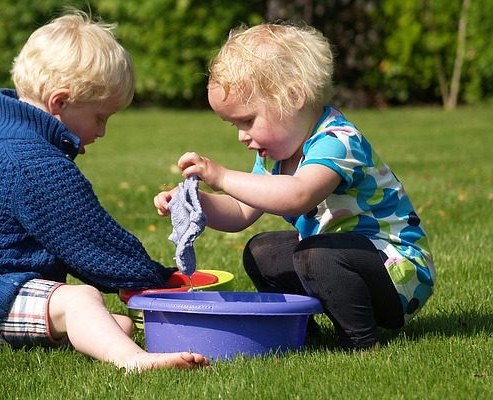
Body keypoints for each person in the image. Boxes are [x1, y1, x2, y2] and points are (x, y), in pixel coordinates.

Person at [0, 10, 208, 371]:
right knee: (82, 300)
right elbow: (93, 243)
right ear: (59, 102)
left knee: (114, 324)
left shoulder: (5, 132)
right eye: (100, 117)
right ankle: (134, 361)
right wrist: (159, 279)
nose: (102, 131)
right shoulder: (33, 162)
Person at [154, 22, 436, 350]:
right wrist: (193, 202)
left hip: (396, 271)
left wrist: (222, 176)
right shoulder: (276, 156)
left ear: (293, 97)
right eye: (234, 124)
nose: (241, 136)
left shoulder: (338, 140)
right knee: (262, 251)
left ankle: (360, 340)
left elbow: (298, 196)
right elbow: (241, 210)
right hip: (338, 259)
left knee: (314, 255)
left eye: (248, 121)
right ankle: (301, 331)